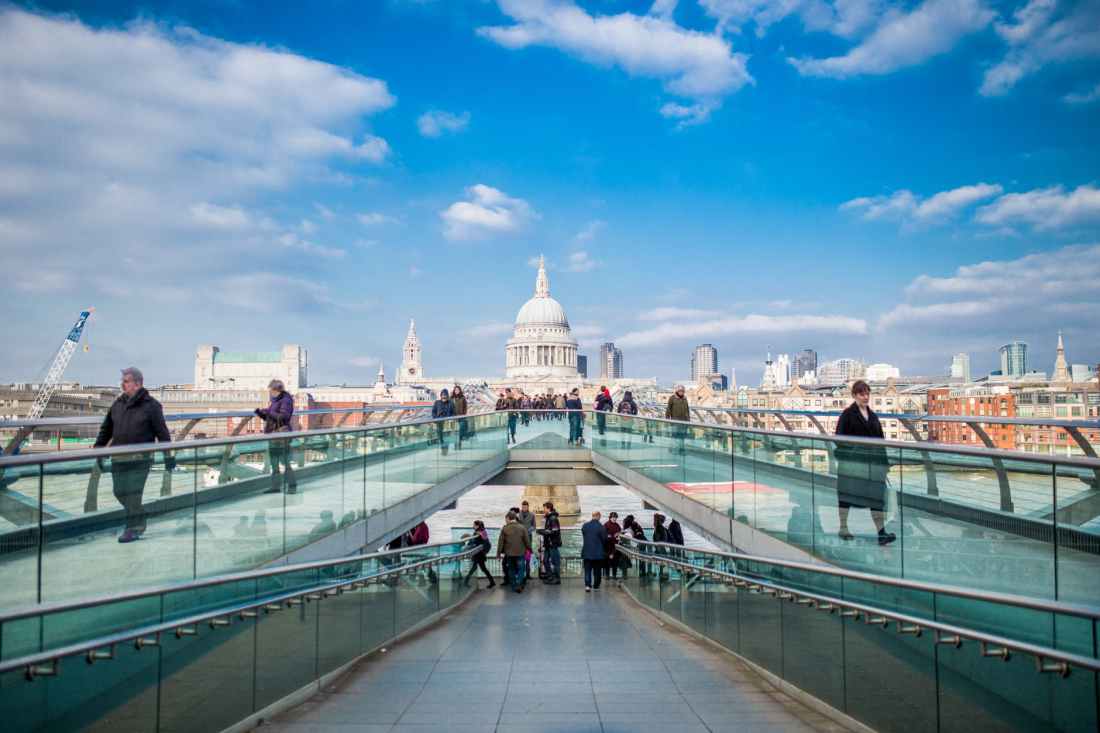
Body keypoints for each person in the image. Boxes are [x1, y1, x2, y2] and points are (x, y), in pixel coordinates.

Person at [94, 367, 173, 543]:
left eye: (126, 381)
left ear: (138, 383)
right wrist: (99, 450)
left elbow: (163, 434)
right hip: (118, 457)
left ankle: (133, 528)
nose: (122, 384)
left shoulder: (152, 406)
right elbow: (106, 430)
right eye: (122, 381)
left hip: (141, 459)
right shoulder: (117, 404)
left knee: (132, 494)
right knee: (118, 492)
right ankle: (140, 516)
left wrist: (168, 456)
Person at [835, 380, 896, 546]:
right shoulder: (847, 415)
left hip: (873, 467)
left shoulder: (873, 416)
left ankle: (881, 533)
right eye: (862, 394)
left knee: (876, 499)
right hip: (853, 466)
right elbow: (839, 439)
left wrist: (884, 464)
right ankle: (843, 528)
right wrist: (855, 451)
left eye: (867, 393)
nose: (866, 397)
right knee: (846, 497)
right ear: (854, 395)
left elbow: (880, 442)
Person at [257, 379, 297, 495]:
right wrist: (261, 413)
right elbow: (272, 417)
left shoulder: (286, 400)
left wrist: (269, 413)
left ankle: (292, 486)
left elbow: (284, 417)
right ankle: (275, 486)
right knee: (274, 462)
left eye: (271, 391)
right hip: (273, 434)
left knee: (284, 461)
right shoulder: (275, 401)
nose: (269, 393)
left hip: (282, 434)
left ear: (277, 390)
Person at [497, 511, 531, 593]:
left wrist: (498, 553)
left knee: (511, 569)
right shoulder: (522, 527)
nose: (506, 521)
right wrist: (529, 549)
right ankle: (519, 584)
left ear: (508, 518)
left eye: (506, 519)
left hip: (509, 553)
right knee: (521, 569)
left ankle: (514, 585)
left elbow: (500, 542)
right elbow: (527, 540)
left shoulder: (505, 529)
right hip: (520, 552)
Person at [581, 511, 608, 592]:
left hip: (587, 551)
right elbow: (604, 539)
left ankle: (587, 586)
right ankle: (596, 585)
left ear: (592, 516)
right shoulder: (601, 527)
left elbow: (584, 535)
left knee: (587, 570)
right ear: (598, 516)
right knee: (597, 570)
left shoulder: (585, 526)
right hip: (598, 553)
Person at [463, 520, 495, 588]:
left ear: (477, 526)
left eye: (474, 525)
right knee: (481, 568)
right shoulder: (483, 532)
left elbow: (474, 542)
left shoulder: (478, 533)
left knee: (478, 568)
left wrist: (467, 546)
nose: (473, 526)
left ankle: (465, 582)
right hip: (481, 553)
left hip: (478, 554)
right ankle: (492, 582)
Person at [537, 501, 562, 584]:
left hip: (552, 544)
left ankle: (557, 579)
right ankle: (550, 576)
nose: (543, 510)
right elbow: (549, 530)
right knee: (545, 561)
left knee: (555, 562)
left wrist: (542, 532)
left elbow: (554, 531)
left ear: (548, 508)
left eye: (544, 508)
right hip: (548, 544)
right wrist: (543, 531)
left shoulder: (553, 518)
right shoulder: (548, 517)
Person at [517, 500, 537, 576]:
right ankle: (521, 574)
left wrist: (529, 530)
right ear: (521, 506)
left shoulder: (532, 515)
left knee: (528, 557)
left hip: (529, 538)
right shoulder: (518, 515)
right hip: (520, 539)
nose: (524, 508)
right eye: (523, 506)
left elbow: (534, 526)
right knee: (520, 556)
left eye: (525, 506)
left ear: (528, 507)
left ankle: (528, 574)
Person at [431, 388, 453, 454]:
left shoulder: (450, 403)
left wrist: (449, 417)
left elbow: (453, 412)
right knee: (441, 437)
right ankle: (443, 450)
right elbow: (433, 411)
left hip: (447, 422)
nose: (444, 396)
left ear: (447, 395)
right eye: (442, 395)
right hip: (439, 422)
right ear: (441, 395)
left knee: (446, 437)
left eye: (445, 395)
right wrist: (435, 418)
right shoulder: (437, 402)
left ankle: (445, 450)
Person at [603, 511, 623, 583]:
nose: (614, 519)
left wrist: (617, 537)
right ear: (610, 518)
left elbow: (619, 534)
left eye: (615, 517)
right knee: (607, 562)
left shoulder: (617, 525)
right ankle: (607, 575)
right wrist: (614, 537)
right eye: (613, 517)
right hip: (608, 546)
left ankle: (614, 575)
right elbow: (605, 536)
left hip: (616, 546)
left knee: (615, 562)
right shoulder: (606, 525)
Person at [451, 385, 468, 450]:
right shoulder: (452, 398)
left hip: (461, 417)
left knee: (460, 431)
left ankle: (459, 443)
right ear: (454, 391)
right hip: (453, 417)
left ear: (460, 390)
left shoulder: (463, 398)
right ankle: (455, 445)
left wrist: (464, 414)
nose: (456, 391)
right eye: (455, 390)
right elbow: (449, 407)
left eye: (457, 390)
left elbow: (465, 407)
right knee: (455, 432)